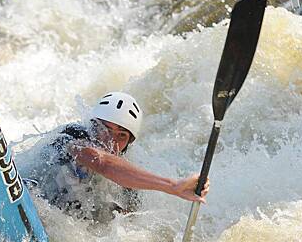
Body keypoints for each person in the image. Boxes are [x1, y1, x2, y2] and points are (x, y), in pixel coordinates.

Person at [27, 92, 209, 221]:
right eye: (102, 128)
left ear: (129, 142)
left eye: (121, 135)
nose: (108, 140)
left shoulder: (127, 173)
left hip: (64, 216)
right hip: (33, 194)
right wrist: (173, 186)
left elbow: (129, 218)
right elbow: (102, 162)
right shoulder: (73, 137)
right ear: (91, 126)